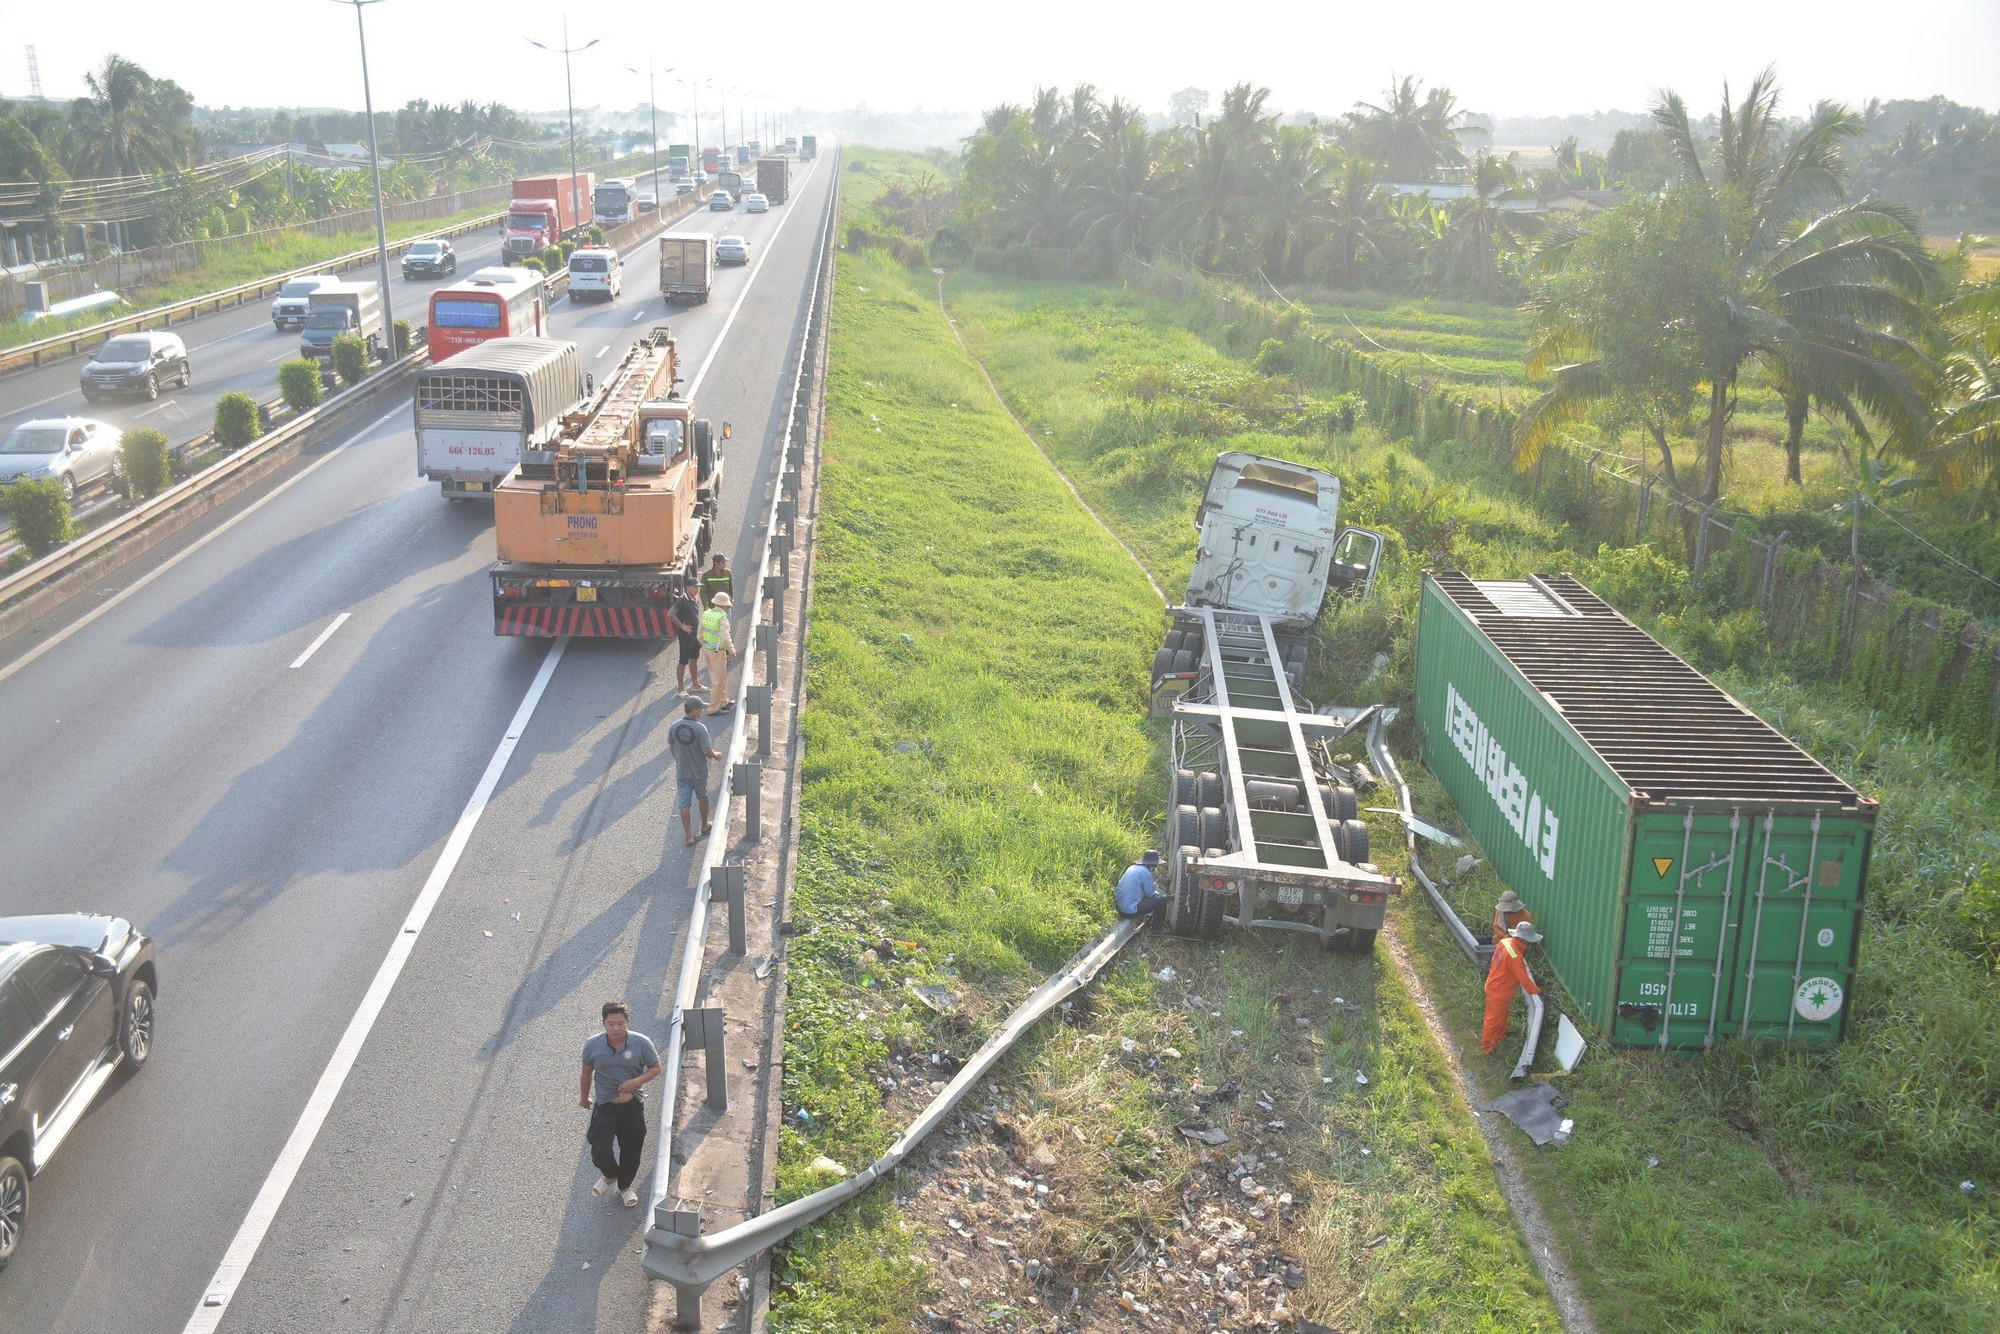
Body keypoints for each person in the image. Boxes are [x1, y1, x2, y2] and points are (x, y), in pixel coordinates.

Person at [579, 1000, 662, 1207]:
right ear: (603, 1023)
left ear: (628, 1022)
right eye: (611, 1023)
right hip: (605, 1104)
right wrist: (584, 1097)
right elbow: (587, 1072)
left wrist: (636, 1081)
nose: (616, 1028)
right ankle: (610, 1174)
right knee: (599, 1147)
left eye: (620, 1023)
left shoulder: (641, 1043)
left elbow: (656, 1067)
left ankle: (625, 1187)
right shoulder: (592, 1044)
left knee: (632, 1147)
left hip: (632, 1104)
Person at [1481, 921, 1543, 1055]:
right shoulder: (1515, 956)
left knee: (1502, 1015)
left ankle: (1499, 1036)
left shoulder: (1505, 942)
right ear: (1524, 939)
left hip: (1495, 985)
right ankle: (1488, 1047)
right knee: (1493, 1019)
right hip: (1500, 992)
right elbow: (1524, 979)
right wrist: (1538, 992)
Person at [669, 696, 724, 846]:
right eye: (700, 709)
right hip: (699, 772)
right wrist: (716, 755)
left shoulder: (674, 726)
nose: (702, 712)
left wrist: (680, 760)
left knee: (684, 803)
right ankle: (705, 825)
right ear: (694, 711)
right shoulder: (700, 728)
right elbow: (706, 750)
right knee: (702, 797)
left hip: (682, 772)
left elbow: (672, 747)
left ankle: (689, 836)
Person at [700, 591, 736, 714]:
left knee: (715, 677)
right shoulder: (722, 617)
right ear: (725, 605)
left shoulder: (706, 613)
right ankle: (713, 709)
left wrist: (705, 646)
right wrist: (732, 650)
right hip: (717, 651)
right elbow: (725, 638)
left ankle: (723, 701)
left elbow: (699, 635)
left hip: (707, 649)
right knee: (718, 680)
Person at [1115, 849, 1169, 922]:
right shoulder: (1146, 873)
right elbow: (1150, 894)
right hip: (1130, 910)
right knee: (1161, 900)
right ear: (1152, 864)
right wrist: (1164, 896)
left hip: (1120, 907)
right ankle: (1157, 929)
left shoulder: (1132, 867)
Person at [669, 580, 703, 694]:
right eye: (694, 587)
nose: (697, 589)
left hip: (695, 637)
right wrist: (682, 626)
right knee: (683, 662)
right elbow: (671, 614)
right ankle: (680, 689)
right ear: (687, 588)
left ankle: (695, 684)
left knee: (694, 660)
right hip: (686, 638)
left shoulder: (694, 598)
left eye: (698, 587)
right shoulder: (682, 600)